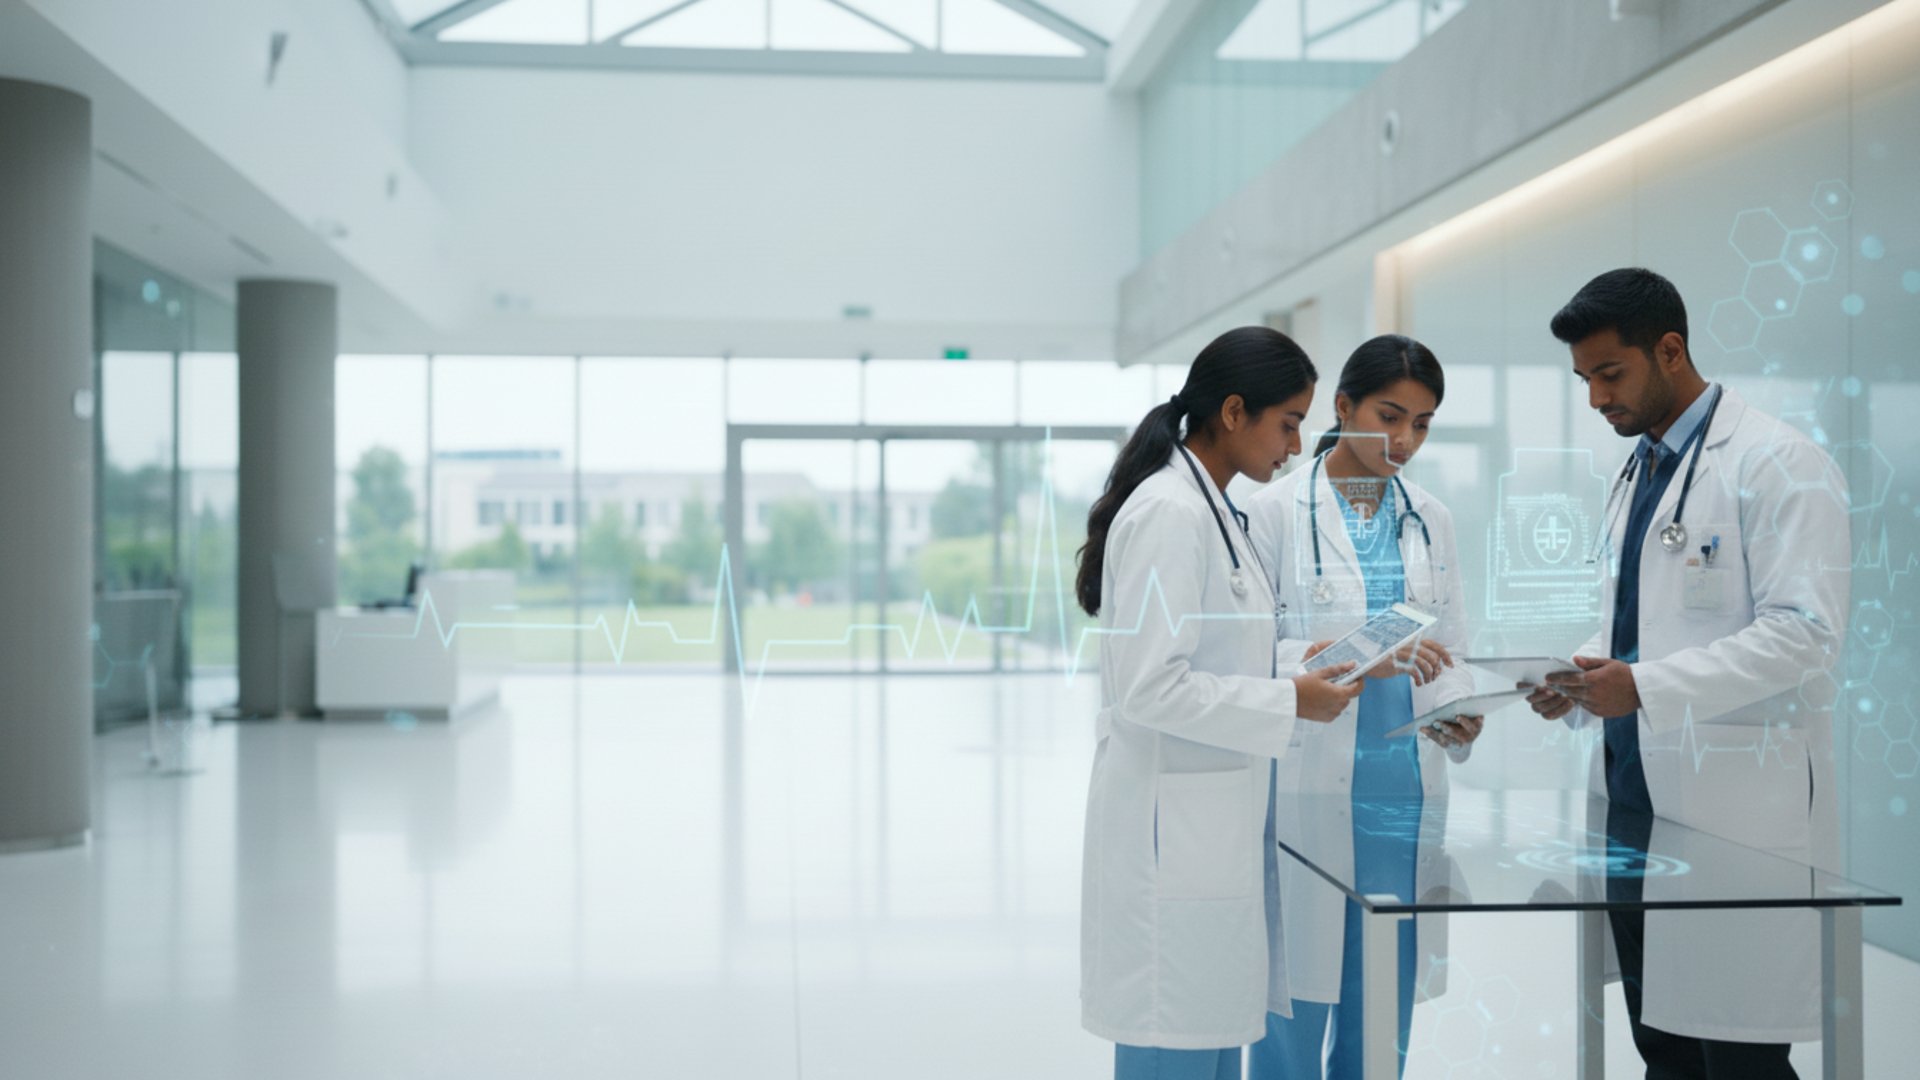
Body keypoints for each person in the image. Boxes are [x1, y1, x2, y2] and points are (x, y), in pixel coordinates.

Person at [1525, 267, 1850, 1078]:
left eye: (1611, 373)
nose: (1597, 398)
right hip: (1636, 806)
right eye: (1584, 380)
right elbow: (1634, 625)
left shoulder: (1780, 462)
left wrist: (1641, 687)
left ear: (1670, 350)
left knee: (1738, 1059)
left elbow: (1806, 635)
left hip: (1735, 814)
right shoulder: (1636, 470)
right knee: (1663, 1048)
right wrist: (1575, 682)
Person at [1078, 326, 1365, 1079]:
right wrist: (1286, 702)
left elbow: (1219, 651)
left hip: (1204, 827)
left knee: (1202, 1037)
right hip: (1171, 837)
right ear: (1234, 412)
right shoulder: (1171, 513)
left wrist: (1309, 662)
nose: (1298, 445)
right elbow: (1150, 685)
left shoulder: (1212, 509)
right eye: (1289, 422)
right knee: (1171, 1039)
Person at [1243, 334, 1480, 1079]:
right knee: (1292, 1000)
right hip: (1306, 784)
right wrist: (1370, 655)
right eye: (1390, 415)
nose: (1404, 439)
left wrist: (1459, 705)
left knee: (1380, 1003)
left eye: (1423, 423)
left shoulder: (1429, 517)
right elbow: (1256, 656)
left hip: (1401, 794)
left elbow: (1451, 644)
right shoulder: (1273, 511)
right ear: (1342, 407)